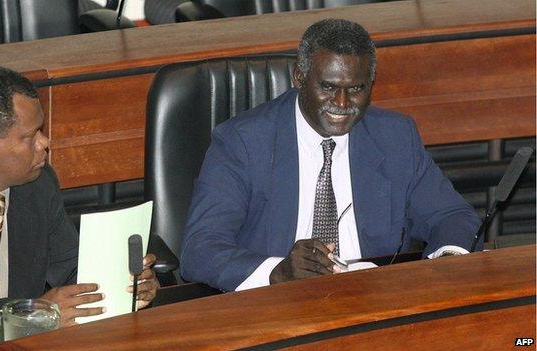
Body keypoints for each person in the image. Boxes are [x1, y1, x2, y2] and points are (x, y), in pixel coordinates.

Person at [179, 19, 481, 292]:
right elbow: (200, 250)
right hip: (275, 304)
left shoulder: (394, 136)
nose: (341, 102)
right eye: (328, 87)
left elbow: (452, 216)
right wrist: (277, 272)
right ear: (299, 77)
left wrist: (448, 259)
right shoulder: (242, 142)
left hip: (373, 300)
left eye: (356, 89)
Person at [0, 66, 158, 344]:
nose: (45, 143)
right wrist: (29, 317)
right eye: (30, 136)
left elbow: (71, 269)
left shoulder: (37, 184)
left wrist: (125, 283)